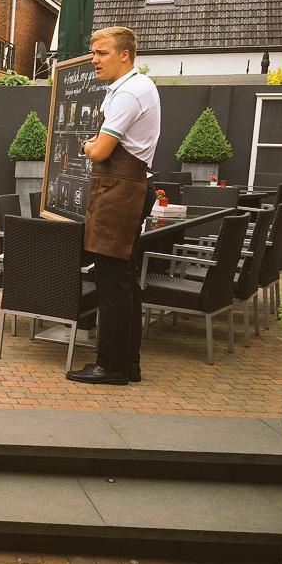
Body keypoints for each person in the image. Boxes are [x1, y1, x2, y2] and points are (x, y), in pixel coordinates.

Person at [66, 26, 160, 386]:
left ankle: (110, 366)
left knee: (112, 283)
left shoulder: (129, 93)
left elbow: (101, 151)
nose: (94, 60)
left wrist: (89, 147)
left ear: (125, 55)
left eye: (102, 53)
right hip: (123, 189)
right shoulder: (134, 88)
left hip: (120, 193)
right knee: (124, 282)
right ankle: (127, 365)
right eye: (93, 53)